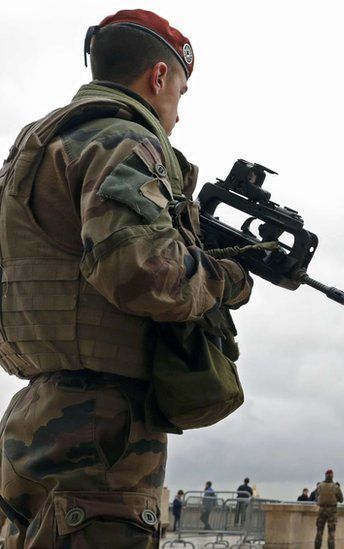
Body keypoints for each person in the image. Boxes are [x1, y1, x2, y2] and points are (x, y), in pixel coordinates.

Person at [0, 9, 252, 548]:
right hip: (105, 432)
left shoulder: (38, 145)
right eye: (180, 93)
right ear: (158, 76)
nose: (177, 116)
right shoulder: (123, 139)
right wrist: (228, 279)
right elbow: (140, 273)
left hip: (39, 415)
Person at [314, 469, 344, 549]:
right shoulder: (335, 487)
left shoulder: (320, 485)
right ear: (332, 476)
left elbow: (316, 496)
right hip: (332, 511)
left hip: (321, 510)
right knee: (331, 534)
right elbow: (341, 500)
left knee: (319, 532)